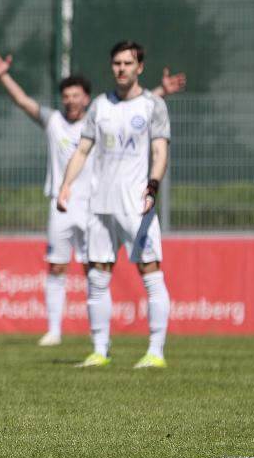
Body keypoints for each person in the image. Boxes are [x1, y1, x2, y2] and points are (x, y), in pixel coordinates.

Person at [0, 51, 186, 346]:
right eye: (65, 95)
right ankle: (56, 330)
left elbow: (132, 110)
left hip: (96, 203)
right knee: (57, 266)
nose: (69, 100)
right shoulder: (54, 121)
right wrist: (3, 75)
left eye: (75, 95)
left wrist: (161, 92)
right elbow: (24, 102)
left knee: (96, 269)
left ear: (86, 98)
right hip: (62, 203)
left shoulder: (100, 116)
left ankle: (128, 345)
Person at [57, 40, 173, 369]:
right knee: (97, 277)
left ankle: (156, 351)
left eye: (127, 63)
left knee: (150, 275)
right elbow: (82, 150)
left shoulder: (153, 106)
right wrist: (67, 185)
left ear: (140, 67)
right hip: (100, 204)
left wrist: (152, 186)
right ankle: (100, 349)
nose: (121, 69)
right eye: (116, 63)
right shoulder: (99, 106)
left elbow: (160, 151)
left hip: (136, 204)